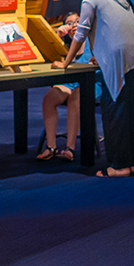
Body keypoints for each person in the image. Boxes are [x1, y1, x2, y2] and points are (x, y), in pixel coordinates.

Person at [53, 0, 134, 174]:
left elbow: (81, 32)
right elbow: (116, 30)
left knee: (115, 109)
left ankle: (120, 166)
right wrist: (102, 55)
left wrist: (64, 63)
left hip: (121, 60)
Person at [37, 13, 81, 161]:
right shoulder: (63, 43)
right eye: (70, 23)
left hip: (86, 83)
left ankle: (70, 148)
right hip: (67, 82)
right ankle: (51, 147)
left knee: (75, 99)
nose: (74, 25)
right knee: (49, 99)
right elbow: (50, 58)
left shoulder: (91, 39)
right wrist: (59, 37)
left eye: (77, 21)